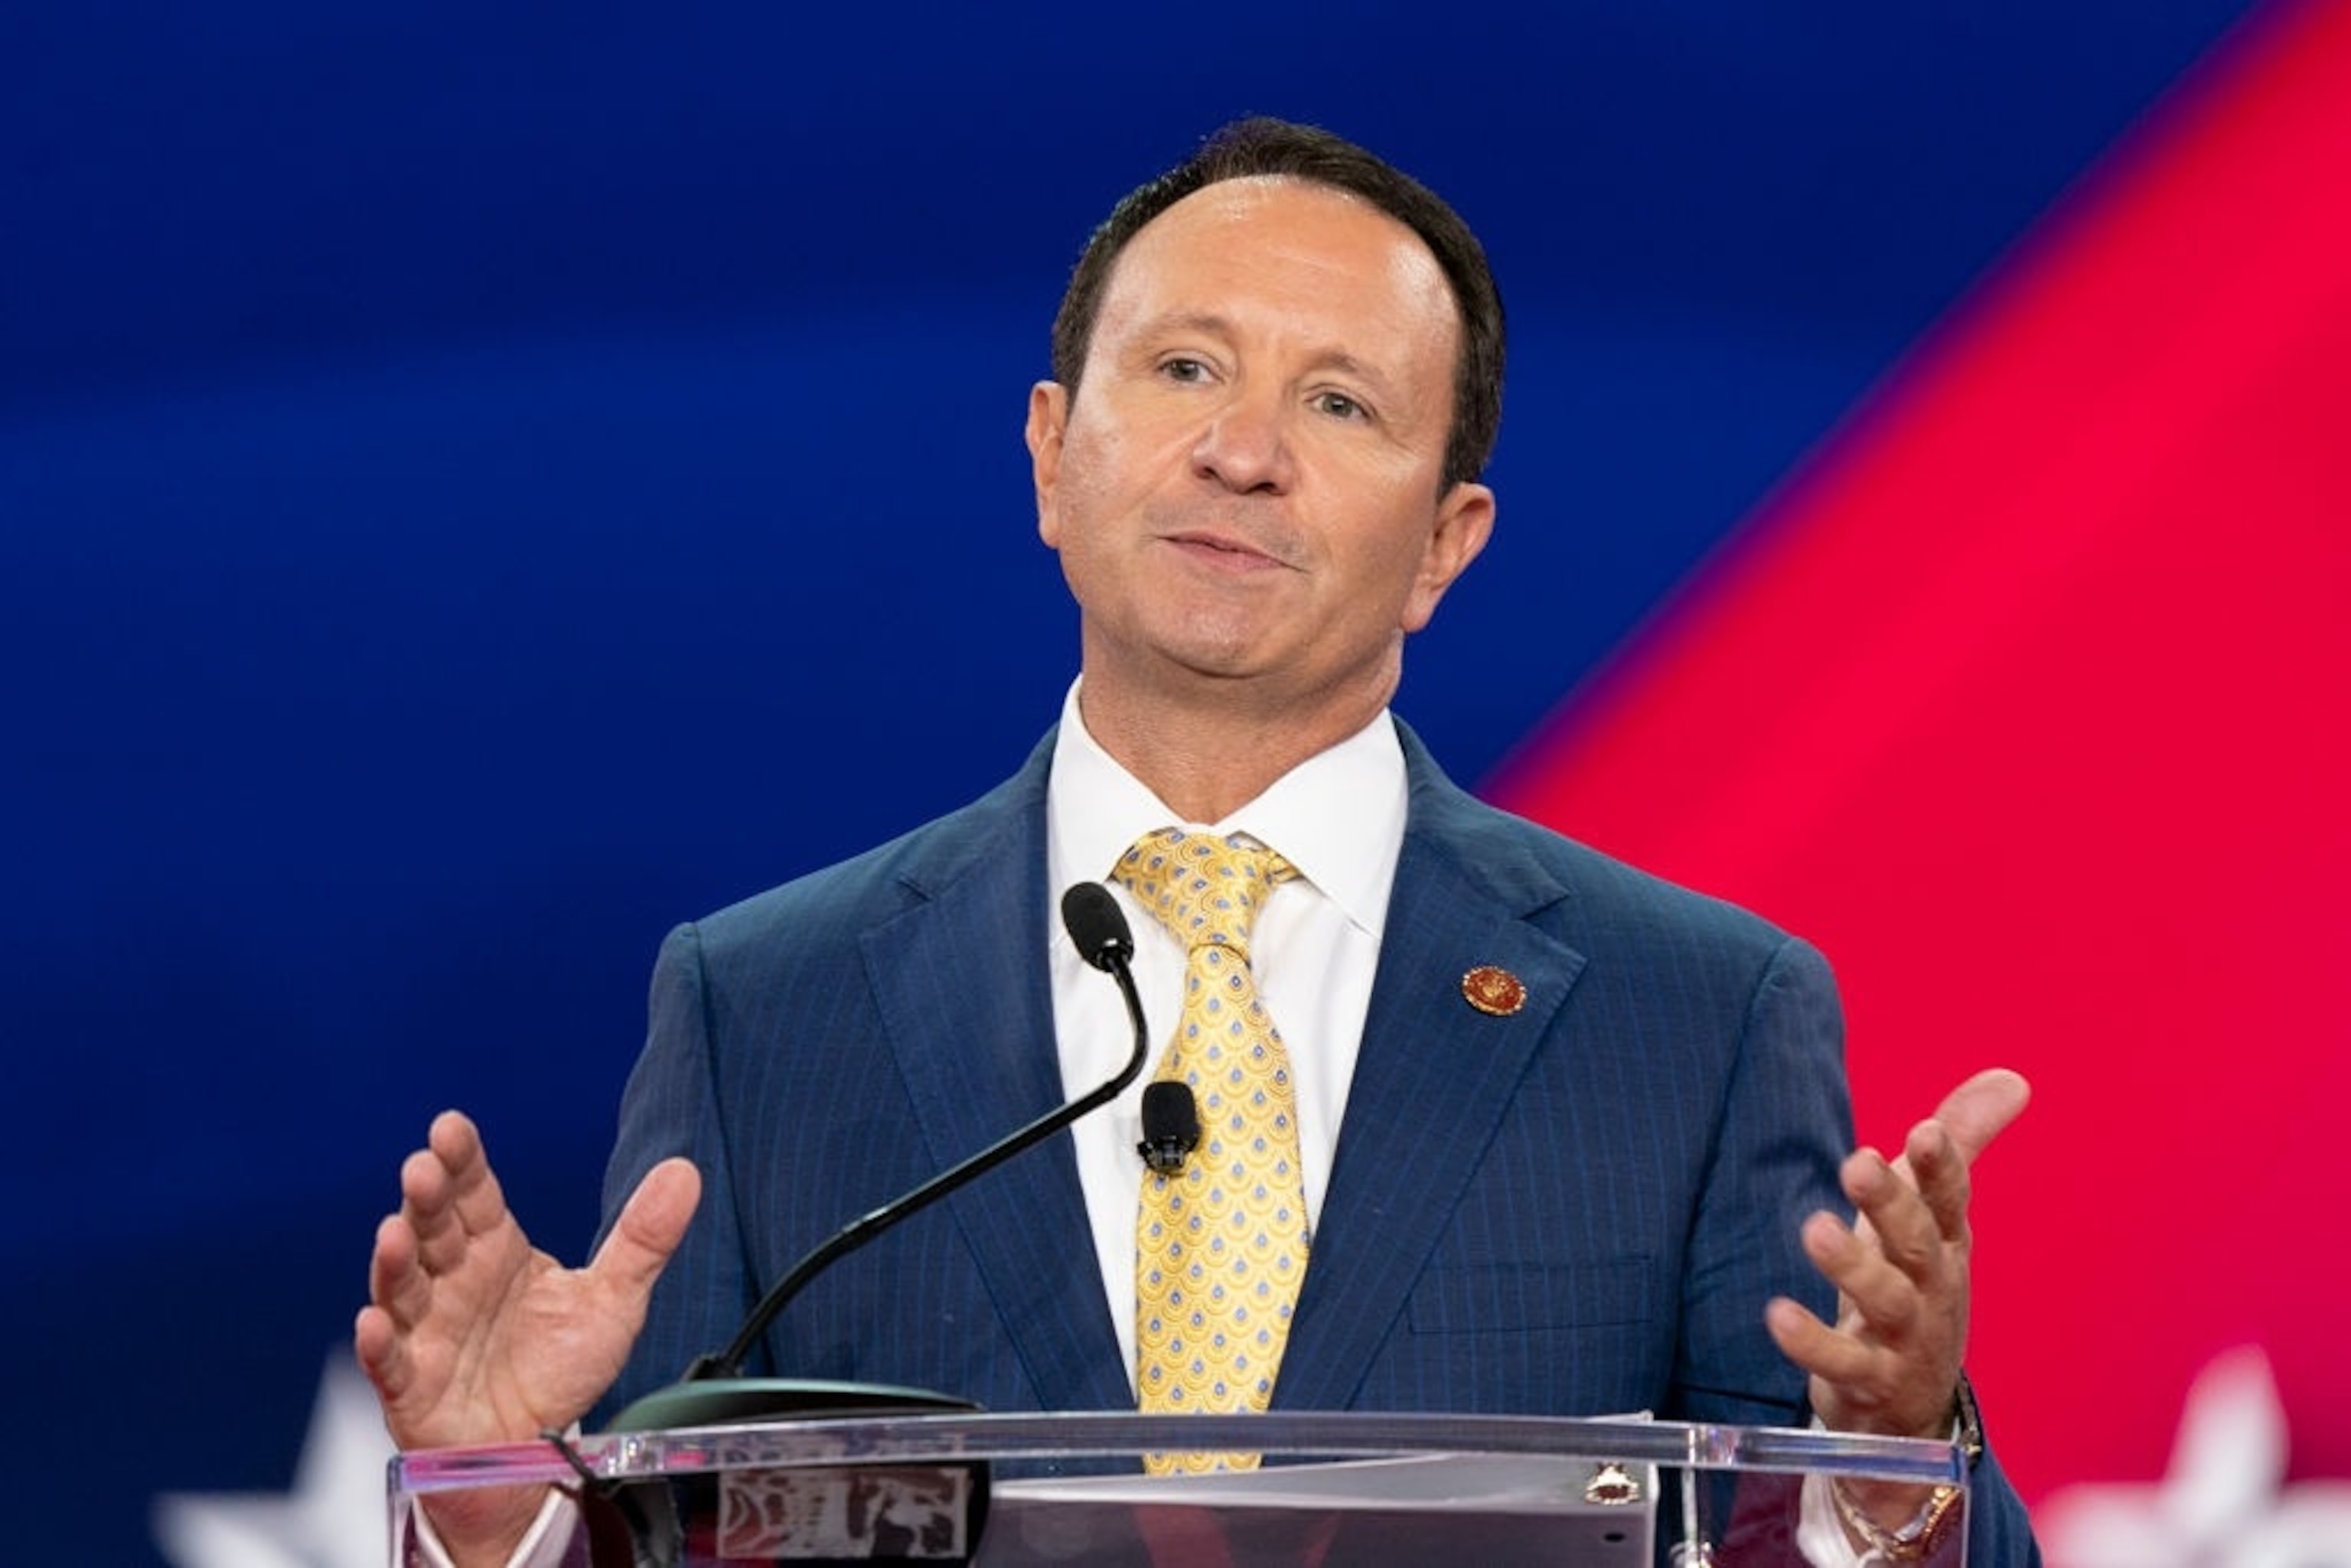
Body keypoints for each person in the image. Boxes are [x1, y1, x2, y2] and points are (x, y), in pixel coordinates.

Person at [357, 117, 2040, 1566]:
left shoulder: (1698, 1017)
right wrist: (501, 1501)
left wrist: (1886, 1469)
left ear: (1447, 543)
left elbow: (1818, 1525)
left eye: (1339, 404)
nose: (1241, 452)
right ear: (1048, 456)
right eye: (1184, 370)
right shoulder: (763, 1008)